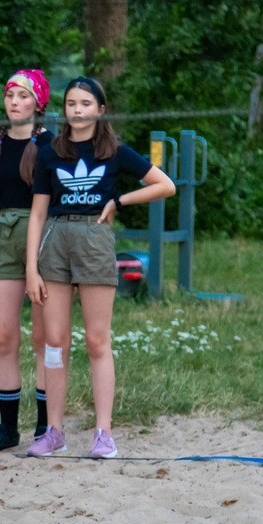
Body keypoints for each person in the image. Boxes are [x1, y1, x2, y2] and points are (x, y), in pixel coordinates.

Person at [25, 76, 176, 459]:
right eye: (71, 104)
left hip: (94, 239)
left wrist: (119, 201)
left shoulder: (113, 150)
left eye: (85, 104)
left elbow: (165, 185)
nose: (77, 110)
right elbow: (38, 212)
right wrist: (31, 268)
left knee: (96, 340)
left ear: (100, 109)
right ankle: (54, 431)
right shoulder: (49, 152)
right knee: (55, 341)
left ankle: (103, 433)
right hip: (55, 242)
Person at [0, 68, 54, 452]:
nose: (15, 102)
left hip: (43, 237)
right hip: (4, 235)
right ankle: (7, 429)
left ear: (38, 102)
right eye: (10, 95)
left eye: (23, 96)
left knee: (42, 337)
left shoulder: (51, 145)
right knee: (4, 337)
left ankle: (46, 426)